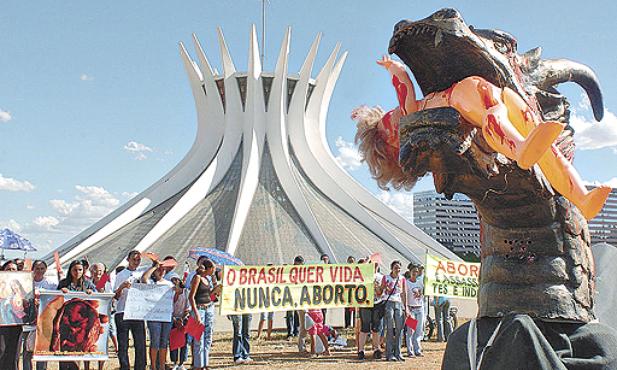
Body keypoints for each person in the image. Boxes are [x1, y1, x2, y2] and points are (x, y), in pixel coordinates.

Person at [56, 260, 96, 370]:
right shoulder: (63, 283)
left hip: (81, 324)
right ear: (70, 270)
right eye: (75, 270)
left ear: (83, 271)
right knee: (64, 351)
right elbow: (55, 299)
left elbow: (97, 297)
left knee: (77, 352)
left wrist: (92, 293)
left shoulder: (88, 284)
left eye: (80, 270)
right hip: (65, 322)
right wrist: (60, 291)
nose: (77, 272)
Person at [113, 250, 147, 370]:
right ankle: (124, 366)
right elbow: (115, 297)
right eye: (134, 259)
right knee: (123, 344)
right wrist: (121, 287)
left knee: (140, 343)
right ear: (128, 260)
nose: (136, 262)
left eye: (138, 260)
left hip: (138, 312)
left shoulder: (142, 273)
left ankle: (140, 367)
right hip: (122, 311)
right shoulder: (120, 275)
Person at [140, 261, 174, 370]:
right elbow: (143, 279)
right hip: (154, 316)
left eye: (163, 269)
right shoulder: (151, 283)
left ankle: (162, 366)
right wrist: (153, 267)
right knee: (155, 341)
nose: (161, 272)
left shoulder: (169, 284)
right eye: (159, 269)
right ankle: (153, 366)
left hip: (167, 316)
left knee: (164, 342)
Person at [23, 260, 56, 370]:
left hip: (44, 321)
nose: (40, 271)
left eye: (42, 268)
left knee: (42, 350)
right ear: (33, 269)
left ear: (46, 269)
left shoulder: (51, 284)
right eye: (37, 268)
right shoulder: (27, 283)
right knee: (27, 349)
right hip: (28, 321)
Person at [189, 259, 220, 370]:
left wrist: (216, 290)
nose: (214, 271)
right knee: (199, 338)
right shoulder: (197, 278)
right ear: (209, 268)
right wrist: (196, 313)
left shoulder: (207, 279)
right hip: (199, 308)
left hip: (208, 308)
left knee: (208, 337)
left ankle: (205, 363)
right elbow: (191, 297)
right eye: (213, 269)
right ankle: (198, 364)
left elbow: (209, 294)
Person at [381, 260, 408, 362]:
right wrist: (384, 287)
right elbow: (380, 290)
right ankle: (389, 354)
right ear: (392, 268)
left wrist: (406, 307)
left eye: (399, 268)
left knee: (399, 328)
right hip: (389, 303)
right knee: (390, 328)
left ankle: (398, 353)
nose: (398, 270)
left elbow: (404, 293)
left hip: (399, 304)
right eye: (396, 267)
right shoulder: (386, 278)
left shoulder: (402, 279)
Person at [357, 259, 384, 360]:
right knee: (364, 328)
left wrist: (376, 286)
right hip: (365, 304)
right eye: (373, 263)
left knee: (376, 328)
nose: (374, 265)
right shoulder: (363, 275)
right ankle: (361, 350)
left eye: (376, 264)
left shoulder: (381, 277)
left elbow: (380, 293)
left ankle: (376, 349)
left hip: (377, 304)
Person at [0, 260, 24, 370]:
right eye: (8, 269)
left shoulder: (22, 287)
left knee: (14, 353)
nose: (11, 271)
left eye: (13, 269)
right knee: (2, 350)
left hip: (16, 324)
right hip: (1, 324)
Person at [169, 274, 189, 370]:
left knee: (184, 342)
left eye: (176, 280)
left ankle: (182, 363)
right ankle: (174, 362)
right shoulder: (170, 293)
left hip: (183, 319)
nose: (174, 283)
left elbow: (188, 308)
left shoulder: (186, 292)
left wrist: (181, 319)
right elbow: (168, 308)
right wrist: (174, 320)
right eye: (172, 281)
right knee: (173, 341)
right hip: (172, 319)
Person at [405, 264, 424, 357]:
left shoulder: (420, 282)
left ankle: (417, 349)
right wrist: (406, 308)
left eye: (416, 271)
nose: (415, 273)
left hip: (419, 308)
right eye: (413, 271)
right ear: (410, 272)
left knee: (418, 330)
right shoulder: (407, 283)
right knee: (410, 331)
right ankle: (410, 350)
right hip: (411, 308)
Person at [293, 255, 308, 352]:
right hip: (300, 302)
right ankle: (301, 347)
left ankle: (304, 345)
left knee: (307, 325)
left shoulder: (306, 273)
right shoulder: (291, 273)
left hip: (307, 301)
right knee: (303, 325)